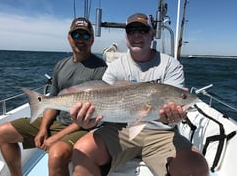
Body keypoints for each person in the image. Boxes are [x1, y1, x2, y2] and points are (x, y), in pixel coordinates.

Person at [70, 13, 209, 176]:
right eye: (131, 30)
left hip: (162, 133)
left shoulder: (170, 65)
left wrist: (173, 116)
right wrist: (88, 123)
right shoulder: (115, 67)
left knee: (196, 168)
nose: (137, 35)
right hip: (119, 130)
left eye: (143, 30)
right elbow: (101, 103)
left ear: (152, 35)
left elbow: (172, 103)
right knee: (81, 152)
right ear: (126, 36)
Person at [0, 17, 107, 176]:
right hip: (57, 121)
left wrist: (57, 137)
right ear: (69, 38)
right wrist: (42, 129)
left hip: (83, 126)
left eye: (85, 35)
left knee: (56, 155)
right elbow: (52, 100)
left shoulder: (101, 68)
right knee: (2, 132)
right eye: (76, 35)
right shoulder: (61, 65)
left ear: (92, 39)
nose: (80, 39)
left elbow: (95, 113)